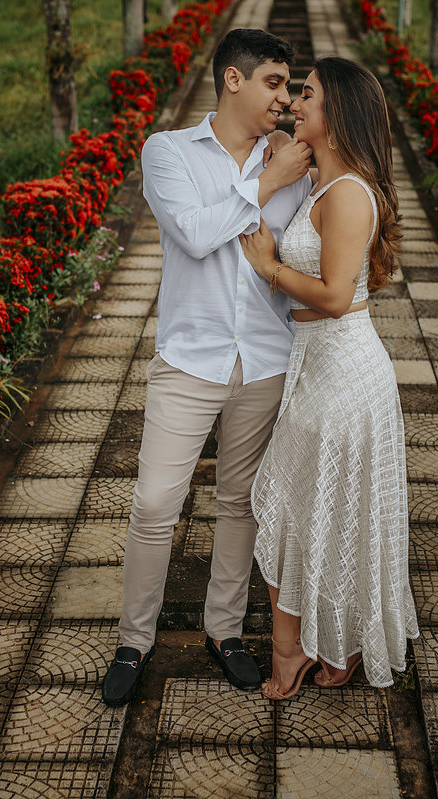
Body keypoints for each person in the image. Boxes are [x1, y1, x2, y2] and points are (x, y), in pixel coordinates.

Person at [101, 29, 314, 707]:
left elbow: (303, 252)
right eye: (275, 83)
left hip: (265, 359)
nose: (285, 98)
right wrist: (264, 186)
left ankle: (224, 630)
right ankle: (134, 640)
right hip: (189, 360)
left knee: (240, 503)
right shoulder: (168, 151)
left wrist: (288, 178)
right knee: (155, 504)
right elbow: (193, 235)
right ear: (233, 80)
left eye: (289, 87)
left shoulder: (292, 162)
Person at [238, 56, 419, 699]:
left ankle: (300, 651)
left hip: (342, 375)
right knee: (318, 511)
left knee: (293, 508)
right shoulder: (324, 184)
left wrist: (269, 268)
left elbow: (338, 296)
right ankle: (329, 644)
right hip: (318, 366)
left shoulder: (346, 195)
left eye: (307, 94)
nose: (294, 101)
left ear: (337, 112)